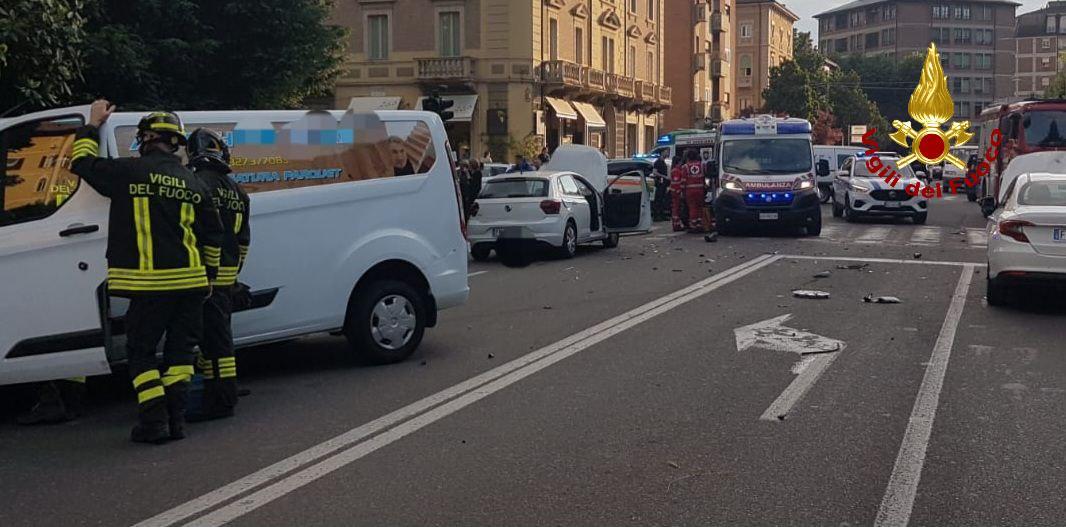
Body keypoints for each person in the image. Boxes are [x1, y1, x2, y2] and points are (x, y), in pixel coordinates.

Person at [70, 100, 224, 444]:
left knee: (141, 354)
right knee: (181, 357)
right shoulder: (194, 183)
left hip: (148, 285)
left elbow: (80, 161)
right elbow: (213, 236)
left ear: (146, 139)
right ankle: (176, 421)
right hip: (191, 284)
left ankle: (154, 423)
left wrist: (92, 124)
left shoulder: (127, 172)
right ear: (176, 144)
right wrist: (210, 276)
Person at [185, 128, 251, 422]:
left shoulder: (197, 183)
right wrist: (233, 273)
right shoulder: (237, 190)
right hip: (225, 278)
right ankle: (223, 390)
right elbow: (243, 241)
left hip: (203, 275)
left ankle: (222, 400)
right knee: (219, 339)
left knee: (215, 343)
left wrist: (208, 272)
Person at [682, 149, 707, 233]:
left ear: (688, 157)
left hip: (690, 191)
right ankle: (700, 224)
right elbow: (704, 178)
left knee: (692, 208)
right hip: (700, 190)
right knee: (700, 207)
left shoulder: (685, 167)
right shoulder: (702, 165)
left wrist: (682, 191)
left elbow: (683, 181)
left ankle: (693, 225)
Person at [669, 154, 687, 231]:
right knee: (676, 209)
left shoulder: (675, 170)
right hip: (677, 193)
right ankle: (676, 225)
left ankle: (677, 224)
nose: (681, 164)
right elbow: (676, 183)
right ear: (677, 162)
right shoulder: (676, 171)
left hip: (675, 192)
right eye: (680, 162)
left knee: (676, 209)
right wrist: (680, 191)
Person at [652, 156, 670, 221]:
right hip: (659, 183)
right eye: (666, 152)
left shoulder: (663, 162)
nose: (667, 153)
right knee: (658, 200)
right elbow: (654, 172)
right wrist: (664, 176)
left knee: (662, 200)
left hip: (663, 184)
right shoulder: (657, 162)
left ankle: (662, 215)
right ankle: (656, 216)